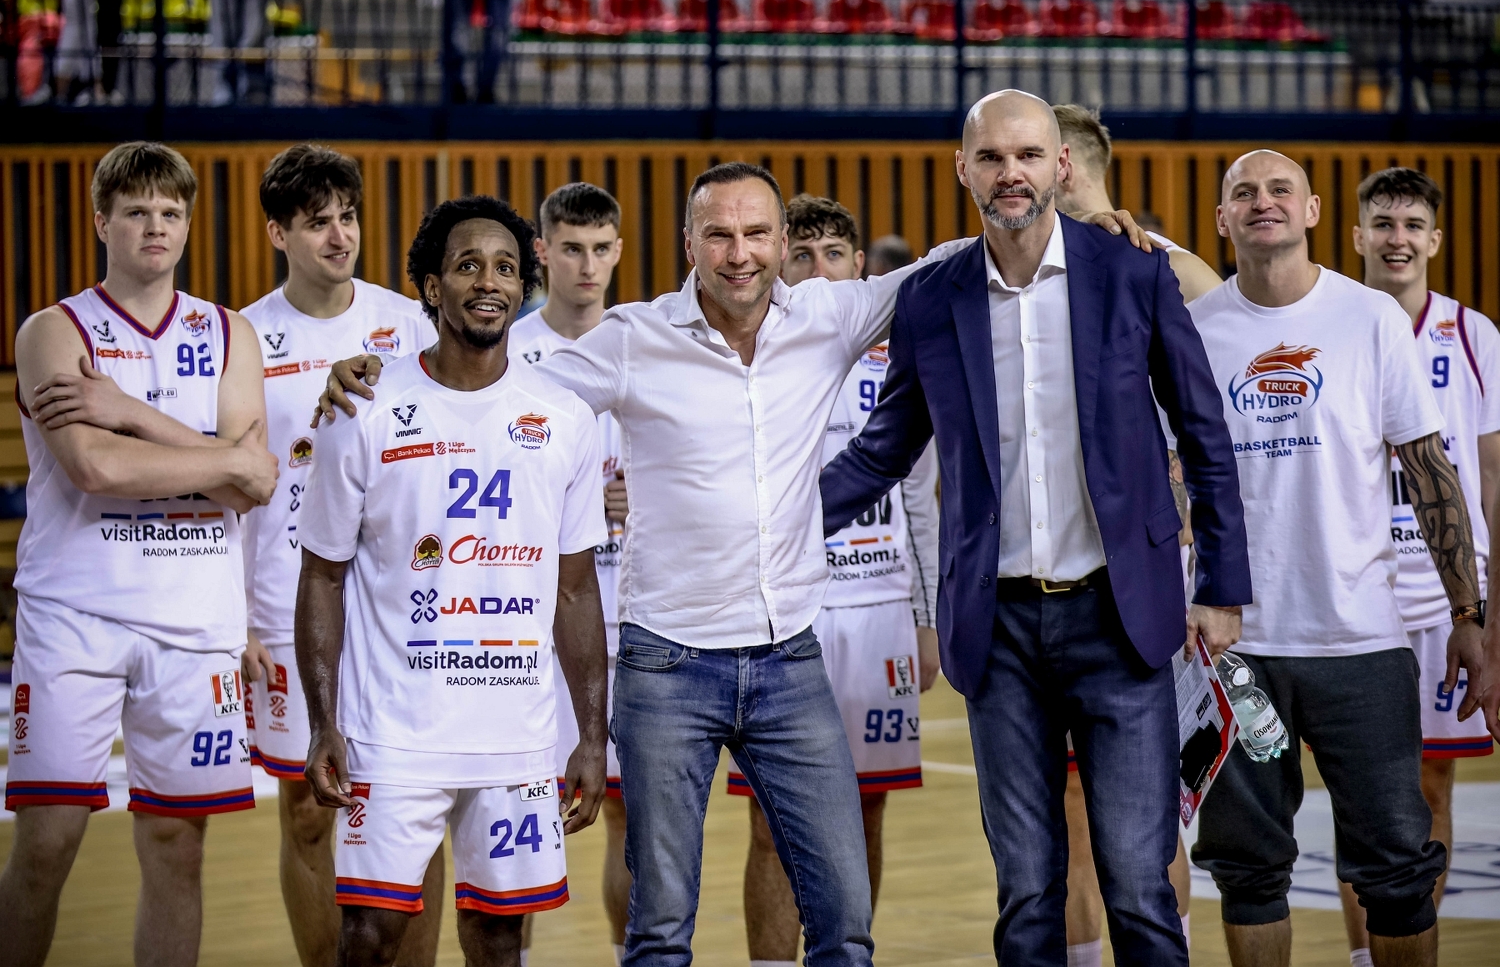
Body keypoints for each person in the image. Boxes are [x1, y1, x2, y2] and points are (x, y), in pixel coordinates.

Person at [311, 162, 1147, 966]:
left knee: (845, 923)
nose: (738, 253)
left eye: (755, 234)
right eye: (718, 235)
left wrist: (1080, 227)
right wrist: (378, 374)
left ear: (782, 242)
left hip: (789, 661)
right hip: (666, 665)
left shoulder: (831, 316)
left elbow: (955, 262)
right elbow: (489, 371)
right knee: (661, 930)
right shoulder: (632, 339)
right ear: (689, 245)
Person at [819, 90, 1252, 967]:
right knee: (1025, 893)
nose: (1009, 173)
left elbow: (1204, 432)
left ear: (1060, 165)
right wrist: (762, 518)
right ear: (963, 170)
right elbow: (881, 451)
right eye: (990, 157)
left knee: (1139, 884)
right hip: (1000, 629)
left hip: (1120, 618)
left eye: (1026, 156)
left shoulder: (1133, 271)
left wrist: (1222, 586)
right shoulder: (933, 297)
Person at [1189, 150, 1486, 967]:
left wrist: (1468, 615)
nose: (1263, 202)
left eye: (1280, 189)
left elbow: (1429, 471)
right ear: (1222, 218)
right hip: (1238, 650)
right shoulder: (1196, 330)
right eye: (1244, 192)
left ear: (1313, 210)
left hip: (1363, 642)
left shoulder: (1370, 318)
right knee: (1249, 872)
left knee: (1397, 870)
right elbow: (1168, 478)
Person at [295, 195, 610, 967]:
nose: (488, 282)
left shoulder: (564, 417)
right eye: (468, 265)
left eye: (505, 267)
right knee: (370, 935)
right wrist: (323, 722)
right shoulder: (363, 408)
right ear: (433, 287)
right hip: (392, 731)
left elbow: (575, 590)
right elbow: (321, 576)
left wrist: (592, 737)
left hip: (516, 735)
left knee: (500, 938)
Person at [0, 141, 278, 967]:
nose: (155, 226)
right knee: (47, 842)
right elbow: (95, 467)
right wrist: (219, 460)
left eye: (170, 212)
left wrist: (123, 410)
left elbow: (255, 484)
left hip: (194, 623)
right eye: (135, 212)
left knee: (176, 847)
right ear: (101, 222)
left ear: (187, 224)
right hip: (75, 616)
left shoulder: (229, 332)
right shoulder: (52, 332)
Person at [239, 144, 443, 967]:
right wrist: (233, 620)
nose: (339, 235)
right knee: (307, 813)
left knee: (415, 806)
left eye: (348, 217)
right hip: (286, 602)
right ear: (277, 234)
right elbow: (230, 491)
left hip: (396, 604)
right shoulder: (244, 338)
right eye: (317, 221)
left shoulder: (409, 324)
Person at [730, 194, 941, 967]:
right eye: (802, 256)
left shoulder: (900, 360)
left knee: (864, 814)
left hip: (880, 612)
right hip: (786, 613)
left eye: (833, 256)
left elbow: (920, 496)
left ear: (860, 268)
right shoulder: (751, 358)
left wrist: (927, 617)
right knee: (768, 821)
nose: (818, 272)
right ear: (781, 267)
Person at [1051, 101, 1223, 966]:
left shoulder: (1170, 267)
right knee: (1074, 810)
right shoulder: (1027, 271)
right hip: (1054, 572)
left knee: (1147, 808)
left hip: (1146, 572)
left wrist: (1190, 498)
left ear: (1062, 165)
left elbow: (1226, 416)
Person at [1336, 166, 1500, 967]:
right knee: (1358, 798)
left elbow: (1492, 477)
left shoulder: (1473, 336)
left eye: (1410, 226)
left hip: (1445, 600)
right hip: (1356, 596)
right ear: (1356, 235)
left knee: (1433, 788)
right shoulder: (1333, 325)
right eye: (1382, 223)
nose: (1396, 239)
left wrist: (1491, 614)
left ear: (1435, 239)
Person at [506, 181, 632, 966]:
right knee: (521, 821)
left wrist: (648, 491)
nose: (588, 266)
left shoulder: (649, 340)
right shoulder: (504, 349)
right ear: (542, 251)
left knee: (629, 816)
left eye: (602, 249)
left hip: (636, 612)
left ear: (619, 251)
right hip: (528, 621)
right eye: (573, 249)